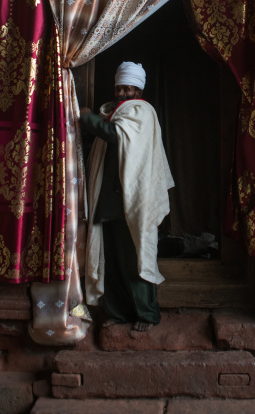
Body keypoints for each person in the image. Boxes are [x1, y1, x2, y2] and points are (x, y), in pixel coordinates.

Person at [80, 61, 174, 332]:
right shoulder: (113, 114)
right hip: (107, 201)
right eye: (119, 88)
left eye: (127, 88)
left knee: (135, 262)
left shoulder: (142, 112)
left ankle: (147, 315)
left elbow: (116, 136)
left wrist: (87, 118)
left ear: (138, 90)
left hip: (130, 202)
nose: (121, 93)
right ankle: (117, 313)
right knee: (108, 263)